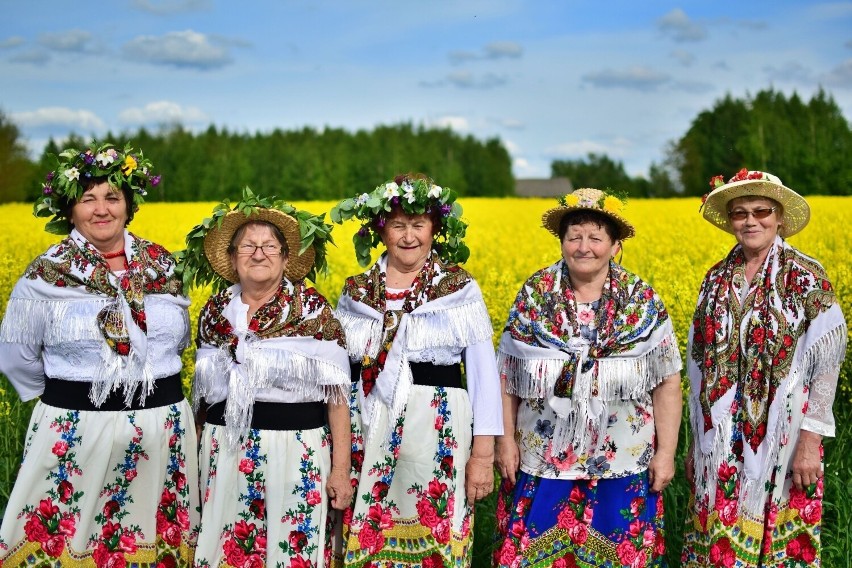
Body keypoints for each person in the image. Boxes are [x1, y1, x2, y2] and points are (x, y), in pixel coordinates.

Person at [0, 142, 199, 566]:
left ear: (129, 205)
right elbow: (16, 359)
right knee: (69, 545)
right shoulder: (43, 276)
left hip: (161, 429)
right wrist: (71, 401)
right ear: (69, 212)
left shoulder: (163, 267)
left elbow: (176, 345)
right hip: (75, 431)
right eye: (87, 199)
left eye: (112, 197)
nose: (101, 209)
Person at [493, 188, 683, 567]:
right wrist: (504, 443)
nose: (584, 246)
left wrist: (666, 454)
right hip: (543, 459)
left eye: (596, 237)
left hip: (624, 458)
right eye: (574, 236)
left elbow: (667, 383)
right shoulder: (535, 295)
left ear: (615, 247)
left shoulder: (642, 300)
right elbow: (506, 377)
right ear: (562, 242)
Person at [329, 174, 503, 567]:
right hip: (369, 428)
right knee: (371, 537)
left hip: (437, 431)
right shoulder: (356, 291)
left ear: (435, 230)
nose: (409, 236)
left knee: (433, 535)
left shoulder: (458, 288)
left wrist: (483, 453)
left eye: (418, 225)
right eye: (398, 225)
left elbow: (483, 375)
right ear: (382, 230)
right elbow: (340, 375)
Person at [682, 170, 847, 567]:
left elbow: (828, 359)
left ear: (778, 217)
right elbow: (697, 361)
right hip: (720, 440)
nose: (750, 221)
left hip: (785, 438)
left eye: (760, 211)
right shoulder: (715, 278)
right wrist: (694, 442)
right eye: (740, 213)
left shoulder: (805, 275)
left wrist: (811, 440)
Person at [179, 190, 353, 568]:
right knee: (227, 551)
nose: (258, 253)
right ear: (231, 257)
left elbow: (338, 399)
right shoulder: (213, 313)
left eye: (270, 246)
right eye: (248, 246)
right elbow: (204, 399)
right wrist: (192, 459)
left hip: (295, 454)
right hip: (224, 452)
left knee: (291, 554)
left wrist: (341, 470)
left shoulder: (313, 312)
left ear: (286, 257)